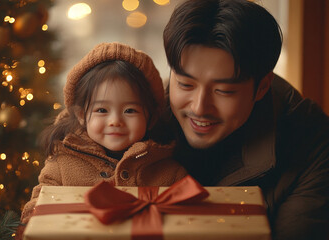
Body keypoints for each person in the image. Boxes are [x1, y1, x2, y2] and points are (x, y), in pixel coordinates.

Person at [161, 0, 329, 240]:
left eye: (224, 91)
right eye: (185, 84)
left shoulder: (312, 140)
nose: (199, 107)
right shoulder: (135, 116)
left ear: (262, 87)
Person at [20, 42, 187, 225]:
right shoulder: (61, 166)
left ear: (151, 117)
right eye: (101, 110)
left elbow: (190, 220)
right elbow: (35, 211)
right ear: (82, 115)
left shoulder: (169, 171)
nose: (115, 121)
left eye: (130, 110)